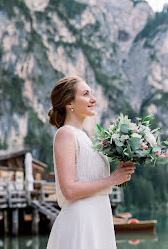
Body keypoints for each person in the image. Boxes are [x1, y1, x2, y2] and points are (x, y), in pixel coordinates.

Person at [46, 76, 135, 249]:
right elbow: (69, 190)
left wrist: (121, 170)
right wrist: (113, 179)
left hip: (98, 219)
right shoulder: (65, 134)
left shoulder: (85, 138)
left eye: (91, 94)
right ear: (69, 103)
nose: (93, 99)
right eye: (86, 94)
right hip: (81, 222)